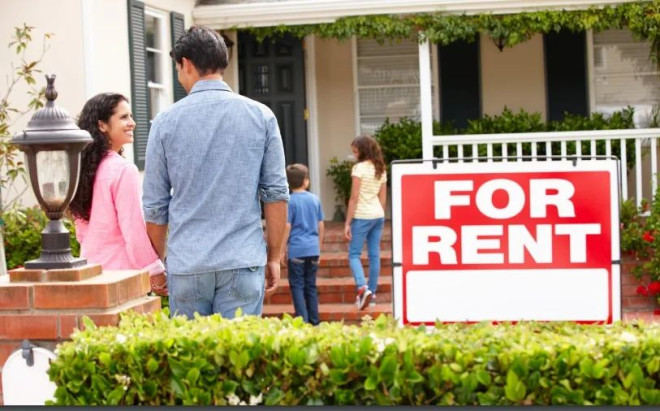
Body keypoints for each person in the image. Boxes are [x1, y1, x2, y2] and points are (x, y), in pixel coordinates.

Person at [142, 26, 289, 320]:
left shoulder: (164, 123)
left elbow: (156, 207)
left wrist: (156, 264)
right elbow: (275, 195)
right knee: (239, 350)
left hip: (188, 263)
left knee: (190, 349)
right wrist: (274, 256)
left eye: (178, 69)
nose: (179, 76)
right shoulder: (261, 116)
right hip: (242, 259)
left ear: (186, 64)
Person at [69, 93, 167, 296]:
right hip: (122, 276)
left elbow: (81, 232)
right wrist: (155, 271)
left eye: (131, 116)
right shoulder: (123, 170)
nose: (132, 123)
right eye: (123, 117)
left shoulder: (81, 170)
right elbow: (133, 230)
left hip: (90, 272)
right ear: (102, 125)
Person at [344, 135, 387, 310]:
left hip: (362, 215)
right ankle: (372, 293)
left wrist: (347, 223)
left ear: (363, 151)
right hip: (378, 215)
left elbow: (354, 197)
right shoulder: (381, 168)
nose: (354, 154)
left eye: (356, 151)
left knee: (354, 254)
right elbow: (383, 198)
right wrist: (379, 214)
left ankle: (362, 287)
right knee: (374, 254)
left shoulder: (359, 168)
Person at [280, 164, 324, 325]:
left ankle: (302, 321)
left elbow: (287, 226)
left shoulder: (290, 202)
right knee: (311, 286)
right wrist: (319, 248)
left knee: (297, 286)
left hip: (297, 250)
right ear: (306, 181)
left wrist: (282, 250)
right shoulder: (315, 199)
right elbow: (321, 225)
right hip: (313, 249)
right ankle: (314, 321)